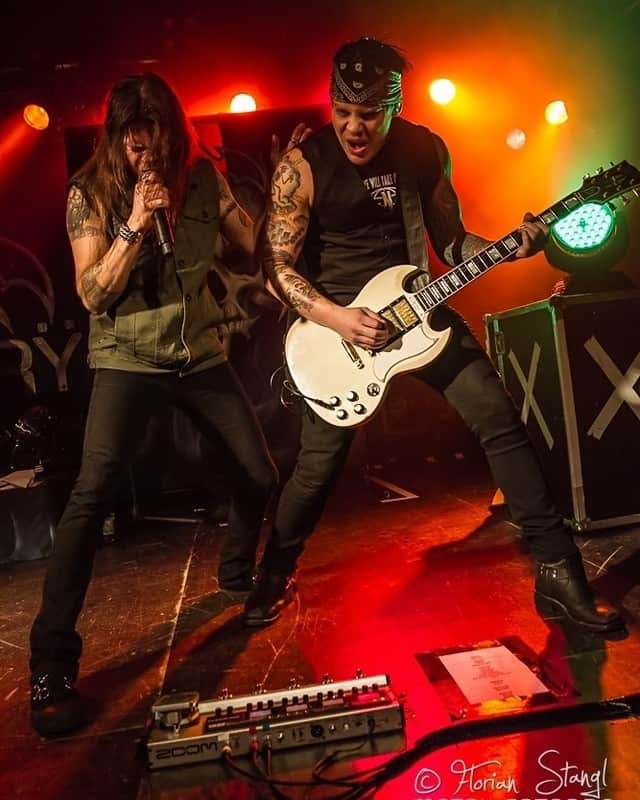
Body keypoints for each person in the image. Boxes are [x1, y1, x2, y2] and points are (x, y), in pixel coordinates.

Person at [243, 37, 624, 636]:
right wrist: (339, 317)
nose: (354, 128)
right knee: (317, 469)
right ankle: (275, 572)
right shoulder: (304, 166)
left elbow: (451, 243)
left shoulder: (423, 149)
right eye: (343, 113)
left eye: (368, 115)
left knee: (500, 421)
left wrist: (507, 247)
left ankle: (558, 574)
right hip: (341, 333)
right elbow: (277, 268)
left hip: (419, 310)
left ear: (394, 106)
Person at [29, 73, 308, 737]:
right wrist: (133, 223)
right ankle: (50, 665)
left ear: (172, 138)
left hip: (200, 353)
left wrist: (285, 188)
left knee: (260, 474)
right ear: (116, 140)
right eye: (132, 146)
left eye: (153, 144)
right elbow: (93, 294)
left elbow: (256, 245)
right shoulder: (89, 195)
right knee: (90, 497)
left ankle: (238, 574)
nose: (144, 158)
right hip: (126, 358)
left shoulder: (204, 183)